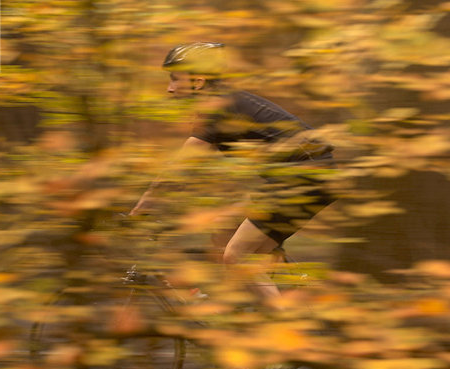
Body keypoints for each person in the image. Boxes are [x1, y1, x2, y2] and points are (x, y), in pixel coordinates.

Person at [129, 42, 336, 308]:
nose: (169, 88)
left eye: (174, 79)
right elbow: (193, 171)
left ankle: (286, 333)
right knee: (224, 228)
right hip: (302, 175)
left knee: (237, 256)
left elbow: (178, 171)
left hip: (302, 175)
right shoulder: (226, 104)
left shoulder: (216, 109)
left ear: (199, 81)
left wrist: (140, 210)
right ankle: (261, 303)